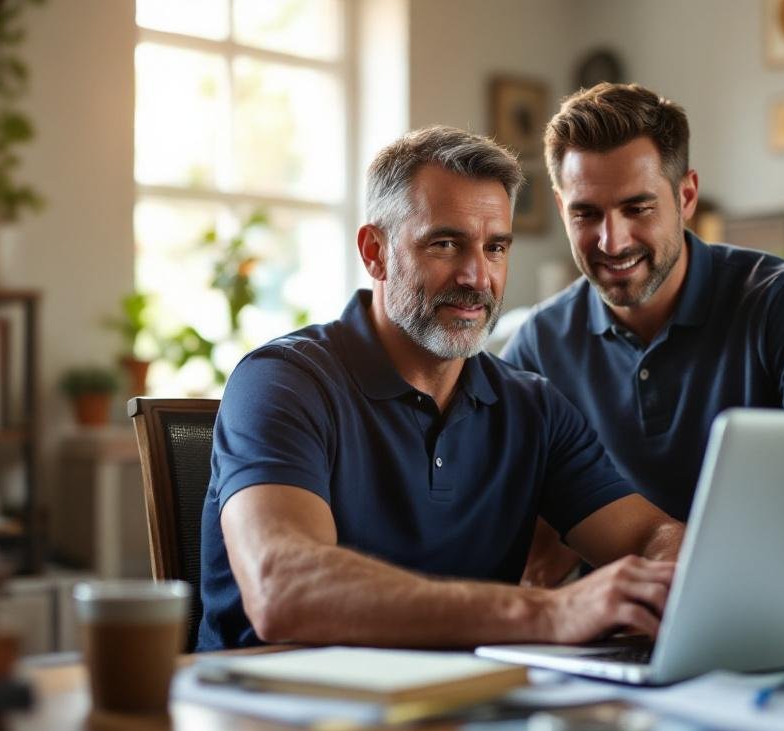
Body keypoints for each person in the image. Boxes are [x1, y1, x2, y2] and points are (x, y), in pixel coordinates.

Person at [198, 126, 685, 651]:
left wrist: (666, 577)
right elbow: (285, 589)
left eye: (495, 247)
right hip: (271, 714)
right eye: (446, 244)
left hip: (455, 711)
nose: (478, 276)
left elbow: (649, 536)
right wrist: (550, 612)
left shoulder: (534, 408)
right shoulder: (281, 384)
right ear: (375, 252)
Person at [501, 84, 784, 587]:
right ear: (559, 206)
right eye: (586, 213)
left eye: (637, 208)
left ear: (686, 195)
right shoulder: (538, 344)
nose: (611, 241)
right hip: (648, 626)